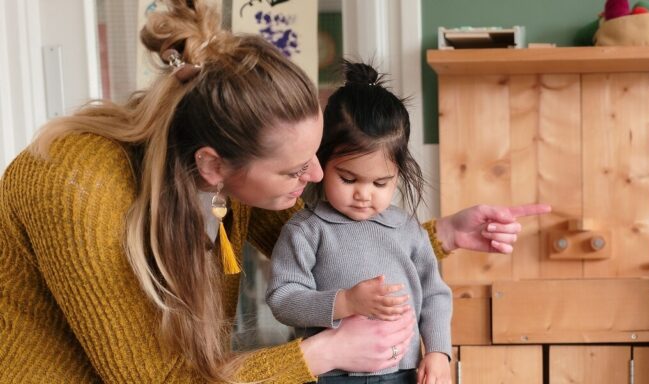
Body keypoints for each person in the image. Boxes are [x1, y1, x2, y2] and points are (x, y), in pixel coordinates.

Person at [0, 1, 549, 382]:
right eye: (293, 171)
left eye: (315, 154)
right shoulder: (76, 187)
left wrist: (444, 233)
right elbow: (155, 379)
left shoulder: (219, 170)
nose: (315, 177)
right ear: (212, 165)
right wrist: (322, 352)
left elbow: (324, 241)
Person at [267, 61, 452, 384]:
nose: (363, 195)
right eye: (349, 178)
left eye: (380, 183)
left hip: (404, 373)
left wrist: (438, 352)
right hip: (331, 375)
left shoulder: (408, 230)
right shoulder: (306, 229)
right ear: (322, 160)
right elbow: (283, 298)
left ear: (399, 174)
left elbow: (435, 295)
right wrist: (345, 302)